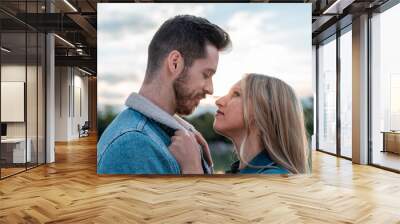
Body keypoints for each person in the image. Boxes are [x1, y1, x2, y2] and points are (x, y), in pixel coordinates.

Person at [97, 15, 231, 174]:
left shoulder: (165, 135)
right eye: (206, 74)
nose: (210, 89)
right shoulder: (135, 146)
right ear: (175, 63)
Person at [170, 74, 310, 174]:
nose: (219, 101)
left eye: (236, 94)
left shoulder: (275, 178)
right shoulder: (244, 172)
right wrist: (189, 128)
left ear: (263, 111)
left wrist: (192, 168)